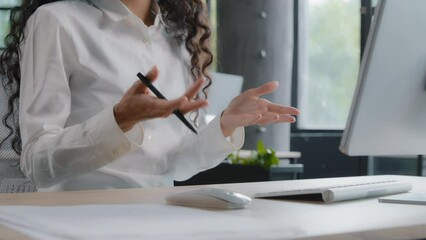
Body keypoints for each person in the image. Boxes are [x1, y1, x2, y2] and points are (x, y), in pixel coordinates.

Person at [0, 0, 300, 191]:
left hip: (160, 217)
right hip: (81, 219)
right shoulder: (56, 21)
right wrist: (119, 120)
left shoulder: (177, 37)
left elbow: (174, 166)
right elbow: (37, 165)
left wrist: (224, 125)